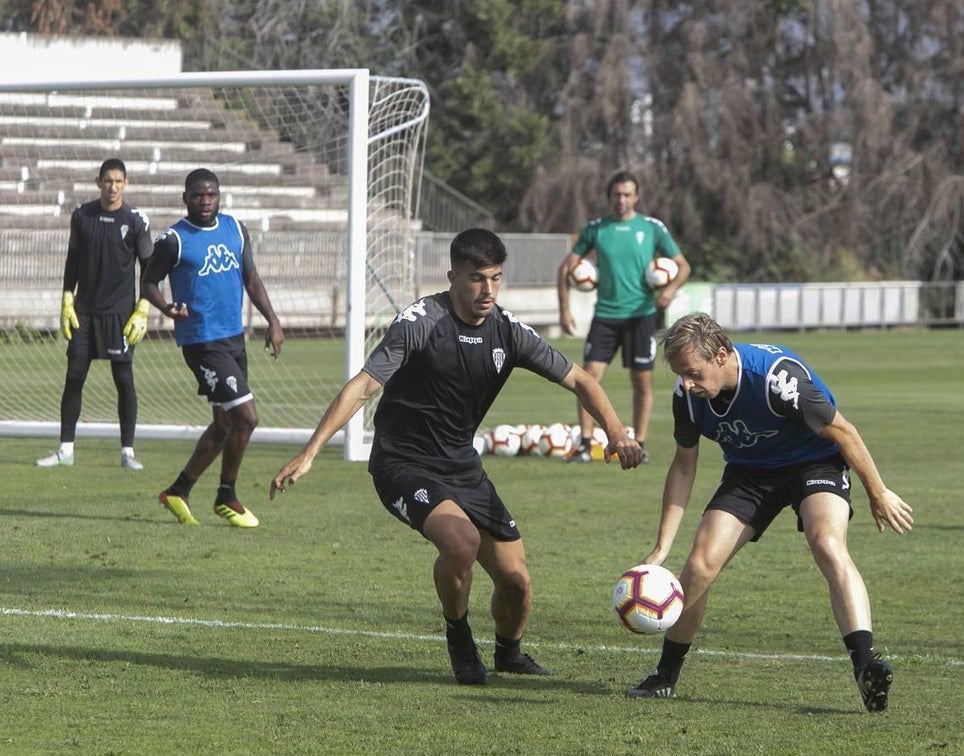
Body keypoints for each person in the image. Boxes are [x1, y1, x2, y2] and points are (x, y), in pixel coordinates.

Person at [270, 228, 644, 685]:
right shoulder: (421, 322)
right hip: (402, 463)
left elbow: (583, 380)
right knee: (461, 542)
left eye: (496, 278)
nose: (487, 290)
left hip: (462, 466)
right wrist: (311, 452)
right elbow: (364, 385)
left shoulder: (508, 331)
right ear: (452, 276)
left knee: (516, 582)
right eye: (476, 279)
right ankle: (459, 636)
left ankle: (509, 653)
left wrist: (617, 433)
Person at [624, 313, 914, 712]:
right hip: (750, 473)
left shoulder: (779, 380)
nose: (686, 384)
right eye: (680, 375)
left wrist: (877, 491)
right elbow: (684, 466)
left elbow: (844, 431)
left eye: (692, 373)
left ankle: (866, 667)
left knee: (827, 544)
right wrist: (660, 549)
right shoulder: (687, 399)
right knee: (699, 565)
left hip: (814, 463)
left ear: (721, 355)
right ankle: (665, 676)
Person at [141, 168, 284, 528]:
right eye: (198, 195)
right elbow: (148, 282)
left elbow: (251, 278)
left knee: (224, 424)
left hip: (234, 338)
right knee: (247, 418)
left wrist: (273, 320)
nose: (205, 202)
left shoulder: (235, 229)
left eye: (211, 195)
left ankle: (178, 490)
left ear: (219, 196)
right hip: (202, 342)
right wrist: (167, 308)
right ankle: (226, 495)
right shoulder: (174, 239)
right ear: (185, 197)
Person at [557, 170, 690, 464]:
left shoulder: (652, 228)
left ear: (636, 196)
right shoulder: (596, 229)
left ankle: (639, 444)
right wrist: (564, 309)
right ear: (609, 197)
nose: (622, 199)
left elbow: (683, 266)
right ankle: (584, 443)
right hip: (605, 315)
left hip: (641, 317)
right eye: (617, 194)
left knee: (642, 381)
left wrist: (669, 290)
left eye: (627, 194)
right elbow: (566, 268)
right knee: (587, 378)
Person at [36, 159, 154, 470]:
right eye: (107, 181)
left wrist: (143, 308)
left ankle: (127, 451)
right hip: (84, 313)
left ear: (126, 183)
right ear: (98, 181)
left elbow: (149, 269)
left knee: (123, 379)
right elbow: (72, 259)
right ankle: (65, 450)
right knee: (74, 376)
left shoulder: (136, 220)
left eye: (118, 181)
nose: (113, 187)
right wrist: (66, 298)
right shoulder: (82, 215)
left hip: (120, 315)